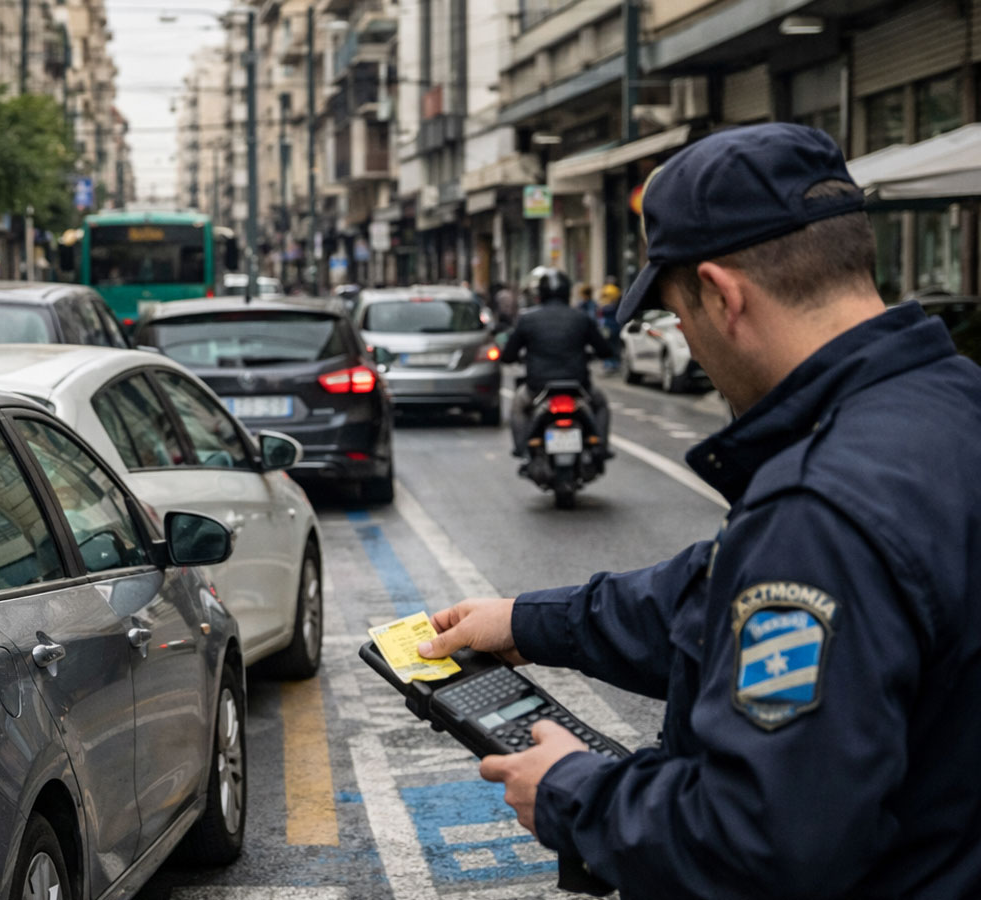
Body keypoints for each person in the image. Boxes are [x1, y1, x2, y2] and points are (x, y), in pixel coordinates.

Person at [417, 123, 981, 897]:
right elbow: (714, 596)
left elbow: (765, 837)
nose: (684, 336)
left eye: (678, 315)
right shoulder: (955, 407)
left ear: (722, 294)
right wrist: (527, 619)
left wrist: (572, 791)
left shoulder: (817, 506)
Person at [501, 267, 614, 457]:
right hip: (578, 385)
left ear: (540, 294)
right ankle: (600, 447)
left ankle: (521, 449)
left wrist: (518, 357)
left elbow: (508, 355)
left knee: (518, 406)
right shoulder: (581, 317)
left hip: (537, 387)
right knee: (601, 404)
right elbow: (604, 350)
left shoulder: (527, 319)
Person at [598, 281, 623, 372]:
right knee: (615, 344)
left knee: (609, 344)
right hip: (615, 325)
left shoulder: (604, 305)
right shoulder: (615, 301)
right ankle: (614, 362)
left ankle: (609, 363)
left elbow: (601, 314)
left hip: (607, 326)